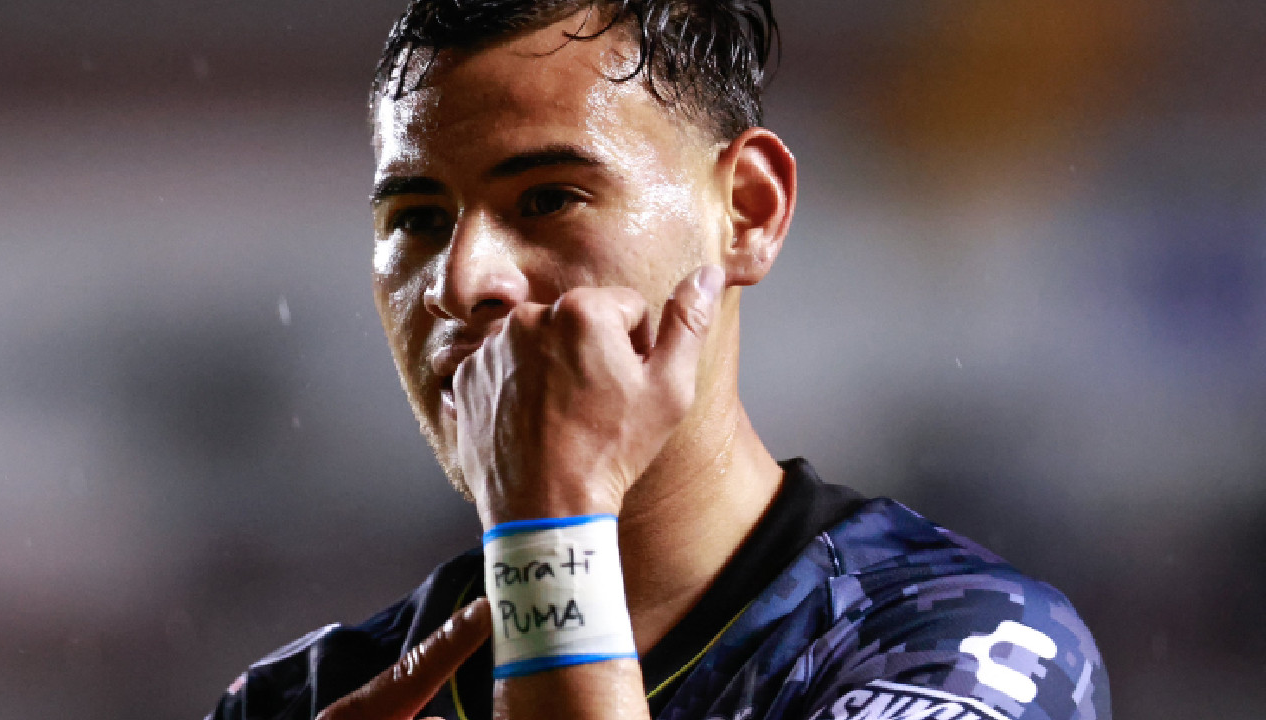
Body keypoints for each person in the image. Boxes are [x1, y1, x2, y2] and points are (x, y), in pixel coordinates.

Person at [207, 2, 1111, 719]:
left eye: (548, 198)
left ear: (748, 210)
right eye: (417, 218)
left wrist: (552, 526)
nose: (464, 280)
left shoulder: (968, 649)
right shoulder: (297, 700)